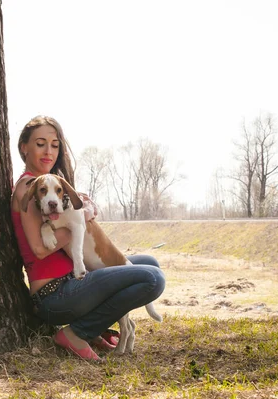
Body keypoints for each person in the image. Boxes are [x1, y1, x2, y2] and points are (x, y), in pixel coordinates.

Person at [10, 115, 165, 361]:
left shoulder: (53, 186)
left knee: (149, 263)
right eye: (40, 143)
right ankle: (79, 332)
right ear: (24, 147)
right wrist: (79, 220)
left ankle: (96, 326)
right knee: (153, 278)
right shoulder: (28, 187)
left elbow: (68, 217)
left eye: (54, 144)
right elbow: (40, 249)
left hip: (74, 280)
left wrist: (81, 211)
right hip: (55, 294)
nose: (48, 151)